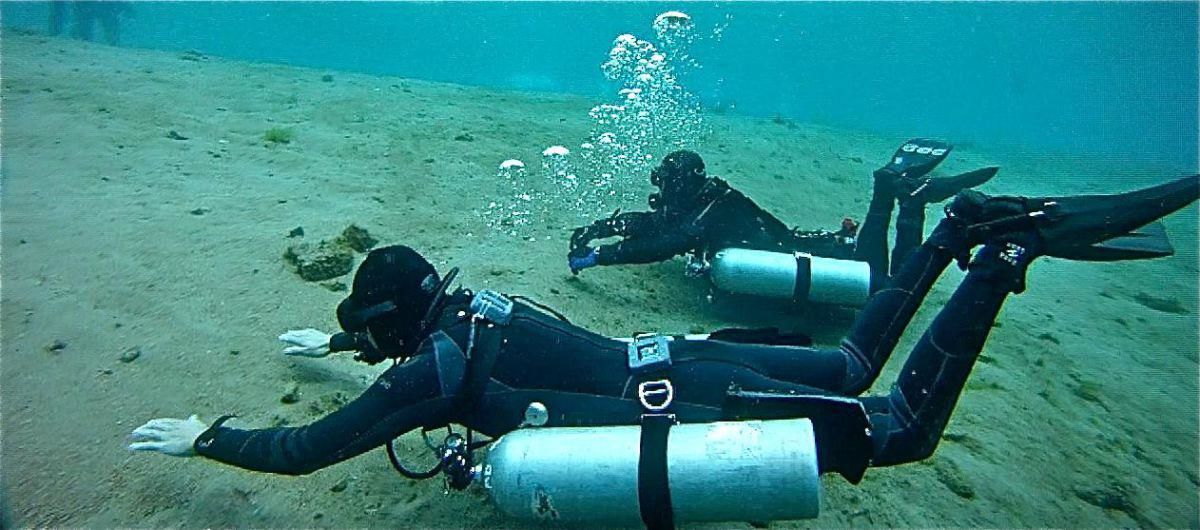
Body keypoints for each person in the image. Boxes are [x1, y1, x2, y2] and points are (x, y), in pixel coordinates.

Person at [128, 176, 1197, 526]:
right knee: (855, 367)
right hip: (683, 358)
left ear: (394, 329)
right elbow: (410, 350)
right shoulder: (473, 311)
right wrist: (339, 340)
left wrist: (212, 437)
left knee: (900, 428)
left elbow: (310, 450)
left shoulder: (435, 371)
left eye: (369, 337)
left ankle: (998, 259)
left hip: (687, 407)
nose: (373, 353)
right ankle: (957, 230)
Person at [568, 140, 999, 296]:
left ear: (682, 183)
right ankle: (894, 193)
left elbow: (667, 243)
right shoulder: (698, 199)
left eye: (666, 182)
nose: (662, 192)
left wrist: (603, 256)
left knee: (894, 286)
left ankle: (906, 201)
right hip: (789, 244)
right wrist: (602, 228)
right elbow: (656, 224)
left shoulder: (708, 207)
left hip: (800, 256)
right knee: (878, 273)